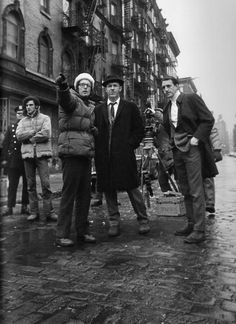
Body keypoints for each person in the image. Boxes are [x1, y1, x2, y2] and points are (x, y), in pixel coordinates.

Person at [161, 76, 218, 244]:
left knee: (196, 189)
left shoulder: (191, 98)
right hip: (177, 151)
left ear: (177, 86)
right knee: (184, 189)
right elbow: (168, 127)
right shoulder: (167, 107)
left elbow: (208, 119)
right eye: (163, 87)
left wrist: (197, 138)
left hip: (192, 149)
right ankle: (191, 224)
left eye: (169, 86)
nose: (165, 90)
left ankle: (200, 230)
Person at [94, 75, 150, 237]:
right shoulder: (99, 110)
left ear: (120, 89)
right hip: (104, 157)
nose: (112, 88)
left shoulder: (130, 107)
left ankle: (143, 220)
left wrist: (129, 145)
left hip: (124, 156)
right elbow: (95, 131)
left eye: (115, 86)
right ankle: (114, 222)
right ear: (105, 89)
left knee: (132, 188)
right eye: (109, 86)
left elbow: (139, 129)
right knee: (108, 189)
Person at [55, 72, 97, 247]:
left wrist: (95, 132)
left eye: (88, 85)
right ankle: (62, 233)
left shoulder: (91, 106)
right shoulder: (72, 99)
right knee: (69, 194)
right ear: (76, 87)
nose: (85, 87)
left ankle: (83, 231)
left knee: (84, 195)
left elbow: (89, 126)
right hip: (71, 152)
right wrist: (63, 87)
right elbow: (66, 100)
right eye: (82, 84)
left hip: (86, 153)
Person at [16, 96, 57, 222]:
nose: (28, 107)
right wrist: (32, 132)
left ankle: (49, 212)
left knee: (46, 184)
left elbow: (46, 133)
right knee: (30, 185)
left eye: (31, 105)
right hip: (28, 156)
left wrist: (30, 138)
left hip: (42, 155)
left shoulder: (45, 118)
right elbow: (18, 135)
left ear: (37, 106)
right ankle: (34, 212)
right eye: (27, 105)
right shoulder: (22, 121)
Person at [1, 106, 29, 216]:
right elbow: (5, 145)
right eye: (18, 113)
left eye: (22, 113)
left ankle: (24, 207)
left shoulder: (28, 127)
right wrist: (4, 159)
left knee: (27, 185)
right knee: (12, 185)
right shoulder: (11, 127)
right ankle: (9, 208)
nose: (20, 115)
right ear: (16, 115)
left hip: (26, 159)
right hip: (13, 161)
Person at [204, 123, 222, 217]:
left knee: (208, 177)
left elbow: (213, 132)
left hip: (206, 150)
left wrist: (217, 149)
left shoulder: (204, 115)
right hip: (190, 150)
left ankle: (210, 203)